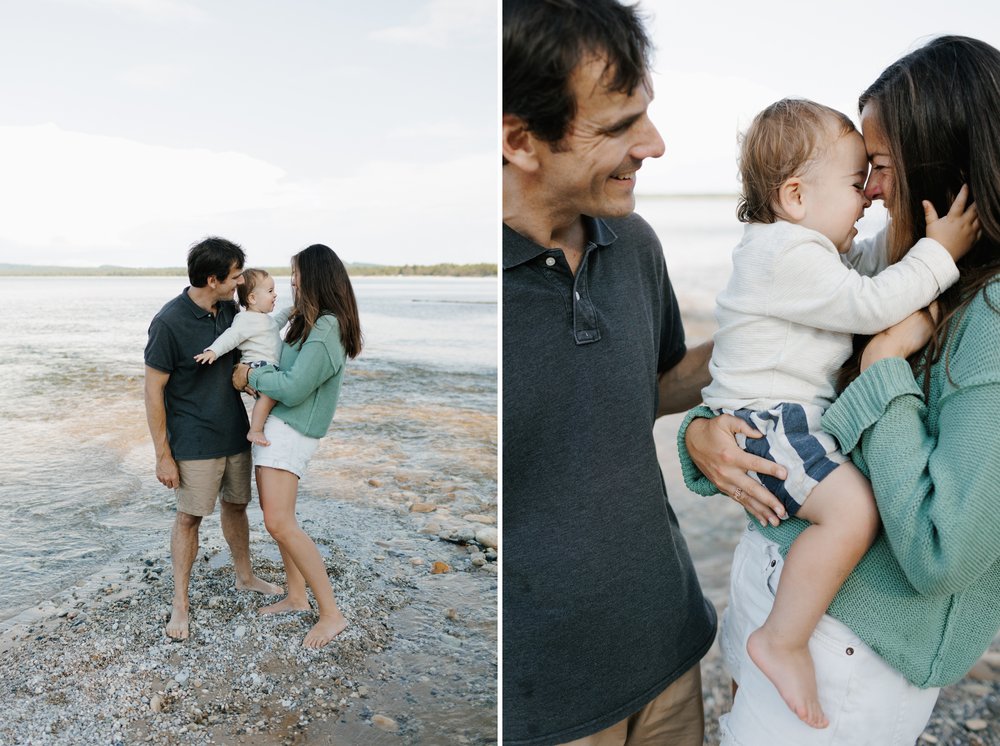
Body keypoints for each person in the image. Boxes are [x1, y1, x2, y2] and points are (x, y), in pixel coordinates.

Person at [680, 35, 1000, 745]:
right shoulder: (880, 263)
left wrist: (887, 360)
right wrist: (698, 432)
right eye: (863, 174)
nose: (873, 192)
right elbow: (777, 367)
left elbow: (943, 552)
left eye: (878, 168)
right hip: (775, 582)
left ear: (944, 160)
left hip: (850, 644)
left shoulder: (987, 315)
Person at [503, 1, 717, 743]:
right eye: (620, 125)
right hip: (541, 705)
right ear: (519, 140)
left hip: (668, 646)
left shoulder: (634, 240)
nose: (653, 145)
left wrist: (785, 341)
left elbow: (648, 387)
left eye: (646, 115)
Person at [144, 236, 282, 641]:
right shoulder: (169, 322)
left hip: (233, 430)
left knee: (237, 506)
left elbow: (244, 357)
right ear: (213, 278)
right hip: (193, 438)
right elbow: (153, 392)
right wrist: (162, 455)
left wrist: (252, 380)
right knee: (189, 518)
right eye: (236, 275)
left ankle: (245, 576)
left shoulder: (231, 310)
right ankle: (180, 605)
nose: (241, 280)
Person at [232, 244, 362, 649]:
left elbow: (294, 386)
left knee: (279, 523)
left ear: (316, 277)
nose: (291, 283)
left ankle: (331, 614)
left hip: (291, 431)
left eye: (297, 275)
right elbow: (284, 366)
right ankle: (296, 595)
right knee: (282, 520)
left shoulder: (327, 328)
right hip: (281, 426)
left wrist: (248, 376)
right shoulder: (312, 321)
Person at [194, 267, 291, 447]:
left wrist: (292, 310)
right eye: (270, 291)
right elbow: (231, 336)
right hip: (257, 367)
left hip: (269, 367)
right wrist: (213, 351)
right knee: (269, 396)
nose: (275, 295)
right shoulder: (245, 319)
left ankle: (265, 427)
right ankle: (255, 430)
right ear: (252, 298)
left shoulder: (266, 319)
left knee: (272, 398)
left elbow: (277, 323)